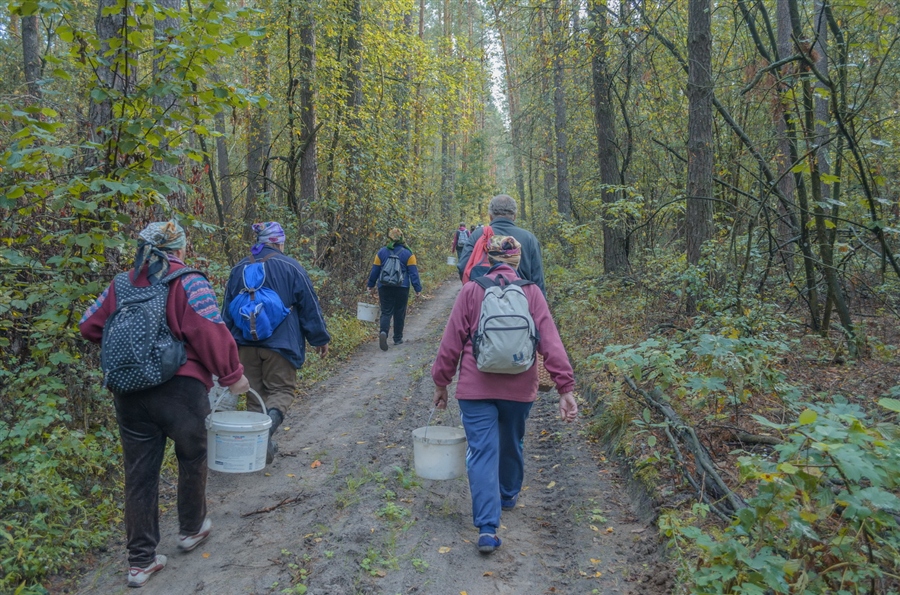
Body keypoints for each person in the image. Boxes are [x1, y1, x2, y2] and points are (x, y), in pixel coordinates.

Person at [79, 221, 250, 588]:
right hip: (181, 389)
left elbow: (89, 326)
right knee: (192, 456)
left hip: (129, 392)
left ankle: (140, 562)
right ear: (179, 248)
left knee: (139, 474)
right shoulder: (188, 280)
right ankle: (191, 529)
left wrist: (130, 350)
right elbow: (209, 330)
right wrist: (233, 374)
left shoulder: (121, 284)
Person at [431, 235, 577, 555]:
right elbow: (550, 342)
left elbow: (451, 342)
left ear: (487, 256)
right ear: (516, 259)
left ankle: (487, 527)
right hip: (519, 388)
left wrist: (441, 382)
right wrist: (564, 387)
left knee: (482, 451)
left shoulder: (471, 289)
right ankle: (508, 494)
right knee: (512, 439)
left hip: (474, 388)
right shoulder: (531, 292)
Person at [223, 222, 331, 464]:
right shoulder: (290, 266)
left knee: (255, 396)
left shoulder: (238, 268)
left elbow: (226, 313)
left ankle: (259, 449)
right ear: (278, 242)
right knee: (281, 390)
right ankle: (265, 436)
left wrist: (225, 348)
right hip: (281, 345)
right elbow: (309, 306)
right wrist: (320, 339)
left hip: (244, 346)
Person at [457, 194, 545, 293]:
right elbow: (538, 280)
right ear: (514, 216)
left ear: (490, 216)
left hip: (482, 301)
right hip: (521, 302)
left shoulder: (477, 235)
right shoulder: (529, 238)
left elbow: (462, 267)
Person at [366, 227, 422, 351]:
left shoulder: (381, 252)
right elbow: (413, 273)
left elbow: (375, 271)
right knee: (399, 312)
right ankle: (397, 338)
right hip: (402, 286)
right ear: (401, 237)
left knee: (386, 311)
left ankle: (384, 333)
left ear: (389, 238)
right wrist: (417, 288)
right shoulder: (408, 253)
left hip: (384, 286)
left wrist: (370, 285)